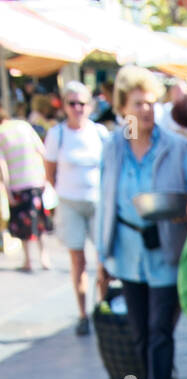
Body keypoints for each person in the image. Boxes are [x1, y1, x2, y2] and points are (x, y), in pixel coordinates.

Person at [96, 66, 187, 379]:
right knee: (138, 329)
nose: (145, 111)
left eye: (151, 103)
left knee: (160, 329)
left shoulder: (175, 146)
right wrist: (101, 259)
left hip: (165, 246)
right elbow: (105, 201)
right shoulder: (113, 148)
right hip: (127, 249)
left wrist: (179, 211)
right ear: (123, 107)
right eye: (138, 104)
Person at [43, 82, 109, 334]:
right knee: (78, 259)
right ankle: (83, 314)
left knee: (104, 259)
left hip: (97, 202)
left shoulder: (100, 133)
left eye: (82, 103)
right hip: (70, 203)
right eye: (72, 103)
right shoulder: (57, 134)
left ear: (90, 105)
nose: (77, 108)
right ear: (64, 106)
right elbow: (50, 171)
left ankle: (103, 307)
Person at [0, 106, 51, 271]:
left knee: (22, 224)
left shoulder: (1, 133)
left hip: (17, 184)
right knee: (40, 220)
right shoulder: (24, 125)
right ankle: (44, 257)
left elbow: (3, 166)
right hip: (35, 179)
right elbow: (42, 150)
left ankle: (28, 260)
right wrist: (47, 176)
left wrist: (7, 190)